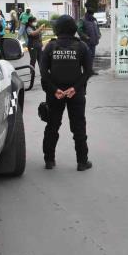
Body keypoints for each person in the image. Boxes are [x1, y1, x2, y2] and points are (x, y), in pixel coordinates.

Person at [40, 15, 93, 171]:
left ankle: (49, 160)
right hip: (75, 94)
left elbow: (43, 71)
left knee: (52, 126)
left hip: (55, 94)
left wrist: (54, 89)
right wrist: (74, 88)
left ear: (58, 28)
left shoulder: (50, 47)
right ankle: (82, 162)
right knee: (78, 127)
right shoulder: (82, 47)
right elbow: (88, 71)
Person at [26, 16, 45, 85]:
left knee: (41, 59)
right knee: (33, 59)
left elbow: (39, 35)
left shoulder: (35, 27)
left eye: (35, 21)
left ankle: (42, 72)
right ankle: (32, 72)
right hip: (32, 46)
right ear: (30, 22)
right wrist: (40, 28)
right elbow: (33, 34)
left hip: (38, 46)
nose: (35, 22)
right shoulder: (28, 28)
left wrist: (41, 44)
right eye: (34, 21)